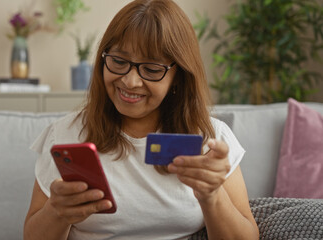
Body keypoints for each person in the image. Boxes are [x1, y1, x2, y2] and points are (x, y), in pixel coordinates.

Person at [24, 0, 259, 239]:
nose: (130, 81)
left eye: (152, 69)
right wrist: (56, 211)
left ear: (178, 77)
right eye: (118, 61)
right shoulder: (65, 134)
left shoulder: (211, 138)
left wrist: (212, 194)